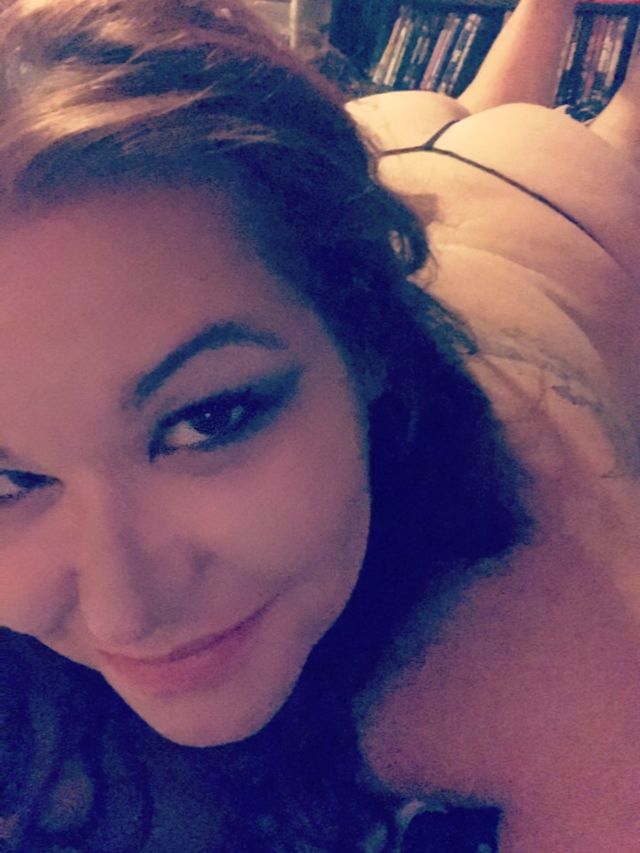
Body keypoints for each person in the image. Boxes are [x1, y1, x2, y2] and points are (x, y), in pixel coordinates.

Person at [0, 2, 636, 852]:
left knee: (618, 127)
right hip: (386, 148)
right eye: (8, 481)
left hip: (547, 203)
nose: (125, 613)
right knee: (468, 102)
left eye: (207, 420)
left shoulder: (543, 619)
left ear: (370, 332)